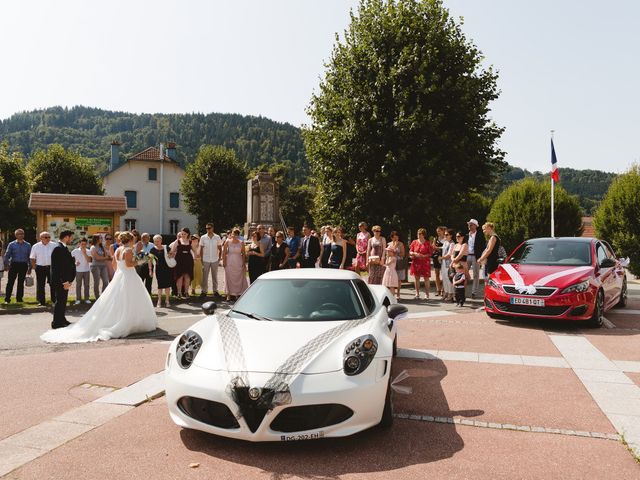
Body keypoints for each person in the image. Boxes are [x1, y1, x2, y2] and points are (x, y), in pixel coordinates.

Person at [41, 231, 157, 342]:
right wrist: (142, 260)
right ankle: (129, 322)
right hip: (129, 275)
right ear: (130, 240)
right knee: (130, 298)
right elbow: (129, 264)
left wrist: (118, 274)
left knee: (118, 299)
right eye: (133, 239)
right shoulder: (128, 250)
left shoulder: (118, 250)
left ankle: (122, 319)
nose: (134, 241)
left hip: (121, 275)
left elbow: (114, 263)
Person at [47, 231, 75, 329]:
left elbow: (65, 264)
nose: (72, 239)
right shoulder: (58, 248)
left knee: (63, 301)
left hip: (64, 280)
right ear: (66, 237)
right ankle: (56, 322)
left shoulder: (63, 248)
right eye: (71, 237)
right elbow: (56, 268)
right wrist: (64, 281)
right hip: (60, 281)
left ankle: (61, 319)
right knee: (60, 301)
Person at [3, 229, 32, 304]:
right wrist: (6, 264)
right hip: (14, 264)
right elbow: (7, 255)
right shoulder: (11, 244)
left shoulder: (28, 245)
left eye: (22, 234)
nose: (21, 235)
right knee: (10, 282)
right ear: (16, 235)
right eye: (19, 234)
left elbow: (30, 256)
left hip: (23, 265)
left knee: (21, 282)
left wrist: (30, 267)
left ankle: (19, 299)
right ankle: (7, 299)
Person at [30, 231, 57, 306]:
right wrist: (35, 267)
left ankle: (54, 300)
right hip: (40, 268)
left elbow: (58, 257)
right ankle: (41, 301)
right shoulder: (36, 246)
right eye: (46, 237)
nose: (48, 238)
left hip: (51, 267)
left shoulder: (54, 245)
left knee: (53, 284)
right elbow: (32, 257)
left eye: (49, 237)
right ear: (41, 238)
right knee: (40, 285)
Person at [149, 234, 174, 308]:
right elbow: (150, 260)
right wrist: (150, 270)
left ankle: (167, 300)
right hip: (159, 269)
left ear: (161, 241)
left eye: (158, 241)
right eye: (155, 241)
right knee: (160, 286)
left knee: (167, 286)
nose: (157, 242)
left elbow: (172, 254)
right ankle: (159, 301)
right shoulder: (152, 249)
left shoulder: (166, 247)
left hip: (167, 269)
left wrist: (170, 255)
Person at [223, 228, 248, 300]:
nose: (235, 236)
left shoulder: (241, 242)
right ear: (231, 234)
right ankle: (229, 294)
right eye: (234, 234)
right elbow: (224, 253)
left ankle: (237, 293)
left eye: (237, 234)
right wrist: (224, 262)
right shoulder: (227, 241)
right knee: (229, 277)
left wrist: (244, 263)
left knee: (238, 277)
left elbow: (243, 253)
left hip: (238, 261)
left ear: (238, 235)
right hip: (229, 261)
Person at [199, 223, 222, 297]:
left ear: (212, 228)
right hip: (205, 259)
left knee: (214, 276)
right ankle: (204, 291)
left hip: (215, 259)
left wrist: (219, 258)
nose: (208, 230)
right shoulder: (203, 237)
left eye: (209, 228)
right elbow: (201, 249)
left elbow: (220, 248)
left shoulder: (217, 237)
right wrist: (201, 259)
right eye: (206, 228)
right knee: (205, 276)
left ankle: (215, 291)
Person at [172, 228, 196, 299]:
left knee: (187, 277)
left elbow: (195, 251)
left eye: (184, 234)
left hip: (188, 260)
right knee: (179, 276)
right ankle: (179, 293)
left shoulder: (191, 242)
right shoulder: (177, 241)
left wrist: (194, 258)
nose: (183, 235)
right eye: (182, 234)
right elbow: (173, 251)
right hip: (179, 260)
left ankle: (186, 292)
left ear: (188, 234)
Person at [409, 228, 432, 299]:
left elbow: (430, 253)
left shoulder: (427, 243)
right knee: (416, 278)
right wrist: (414, 253)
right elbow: (410, 251)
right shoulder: (414, 242)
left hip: (425, 262)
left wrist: (423, 256)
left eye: (420, 234)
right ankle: (417, 293)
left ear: (423, 235)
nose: (418, 235)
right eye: (417, 233)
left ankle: (427, 294)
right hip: (416, 262)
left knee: (426, 278)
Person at [466, 219, 487, 299]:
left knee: (476, 275)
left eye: (471, 224)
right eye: (469, 224)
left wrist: (481, 258)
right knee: (464, 273)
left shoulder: (480, 235)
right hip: (467, 256)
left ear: (475, 226)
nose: (469, 226)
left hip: (476, 257)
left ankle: (474, 292)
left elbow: (483, 247)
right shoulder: (467, 235)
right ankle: (462, 290)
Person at [71, 237, 92, 305]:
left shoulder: (88, 251)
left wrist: (84, 253)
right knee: (78, 285)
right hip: (78, 271)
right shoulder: (75, 251)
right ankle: (78, 299)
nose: (83, 245)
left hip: (86, 270)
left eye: (85, 244)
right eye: (82, 244)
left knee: (86, 285)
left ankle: (87, 299)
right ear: (79, 244)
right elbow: (70, 260)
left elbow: (89, 260)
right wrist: (74, 263)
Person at [89, 235, 110, 299]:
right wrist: (106, 257)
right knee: (97, 282)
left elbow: (106, 255)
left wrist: (106, 257)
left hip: (103, 266)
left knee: (106, 281)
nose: (102, 239)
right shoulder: (93, 247)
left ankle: (103, 296)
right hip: (95, 266)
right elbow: (97, 258)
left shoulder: (102, 246)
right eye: (100, 238)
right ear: (96, 239)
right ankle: (97, 297)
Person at [440, 229, 455, 302]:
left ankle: (450, 294)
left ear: (451, 236)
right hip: (443, 263)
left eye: (446, 235)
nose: (445, 236)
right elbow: (442, 249)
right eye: (445, 234)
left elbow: (449, 255)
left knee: (449, 279)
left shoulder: (452, 244)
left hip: (449, 264)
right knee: (444, 278)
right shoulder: (445, 242)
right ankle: (446, 292)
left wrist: (441, 258)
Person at [389, 231, 405, 299]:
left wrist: (395, 252)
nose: (396, 239)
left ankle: (398, 294)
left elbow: (403, 254)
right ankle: (392, 294)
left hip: (398, 262)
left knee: (398, 279)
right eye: (394, 237)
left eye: (397, 237)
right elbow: (388, 254)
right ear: (392, 238)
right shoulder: (389, 244)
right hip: (392, 263)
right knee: (391, 279)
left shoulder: (401, 244)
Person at [432, 227, 446, 297]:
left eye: (439, 231)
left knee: (444, 274)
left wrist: (437, 248)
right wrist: (435, 248)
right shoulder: (435, 239)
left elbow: (445, 248)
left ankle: (444, 290)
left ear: (443, 231)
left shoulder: (446, 239)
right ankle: (438, 290)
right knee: (436, 274)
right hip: (436, 257)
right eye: (437, 231)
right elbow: (433, 247)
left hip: (443, 257)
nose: (438, 232)